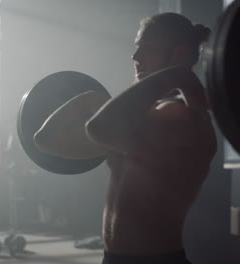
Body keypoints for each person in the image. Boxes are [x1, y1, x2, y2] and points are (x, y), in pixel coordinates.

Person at [34, 12, 217, 264]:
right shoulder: (143, 122)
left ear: (180, 54)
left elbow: (99, 128)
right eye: (136, 48)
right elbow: (46, 140)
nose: (135, 57)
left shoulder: (181, 116)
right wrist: (89, 97)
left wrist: (180, 74)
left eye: (148, 49)